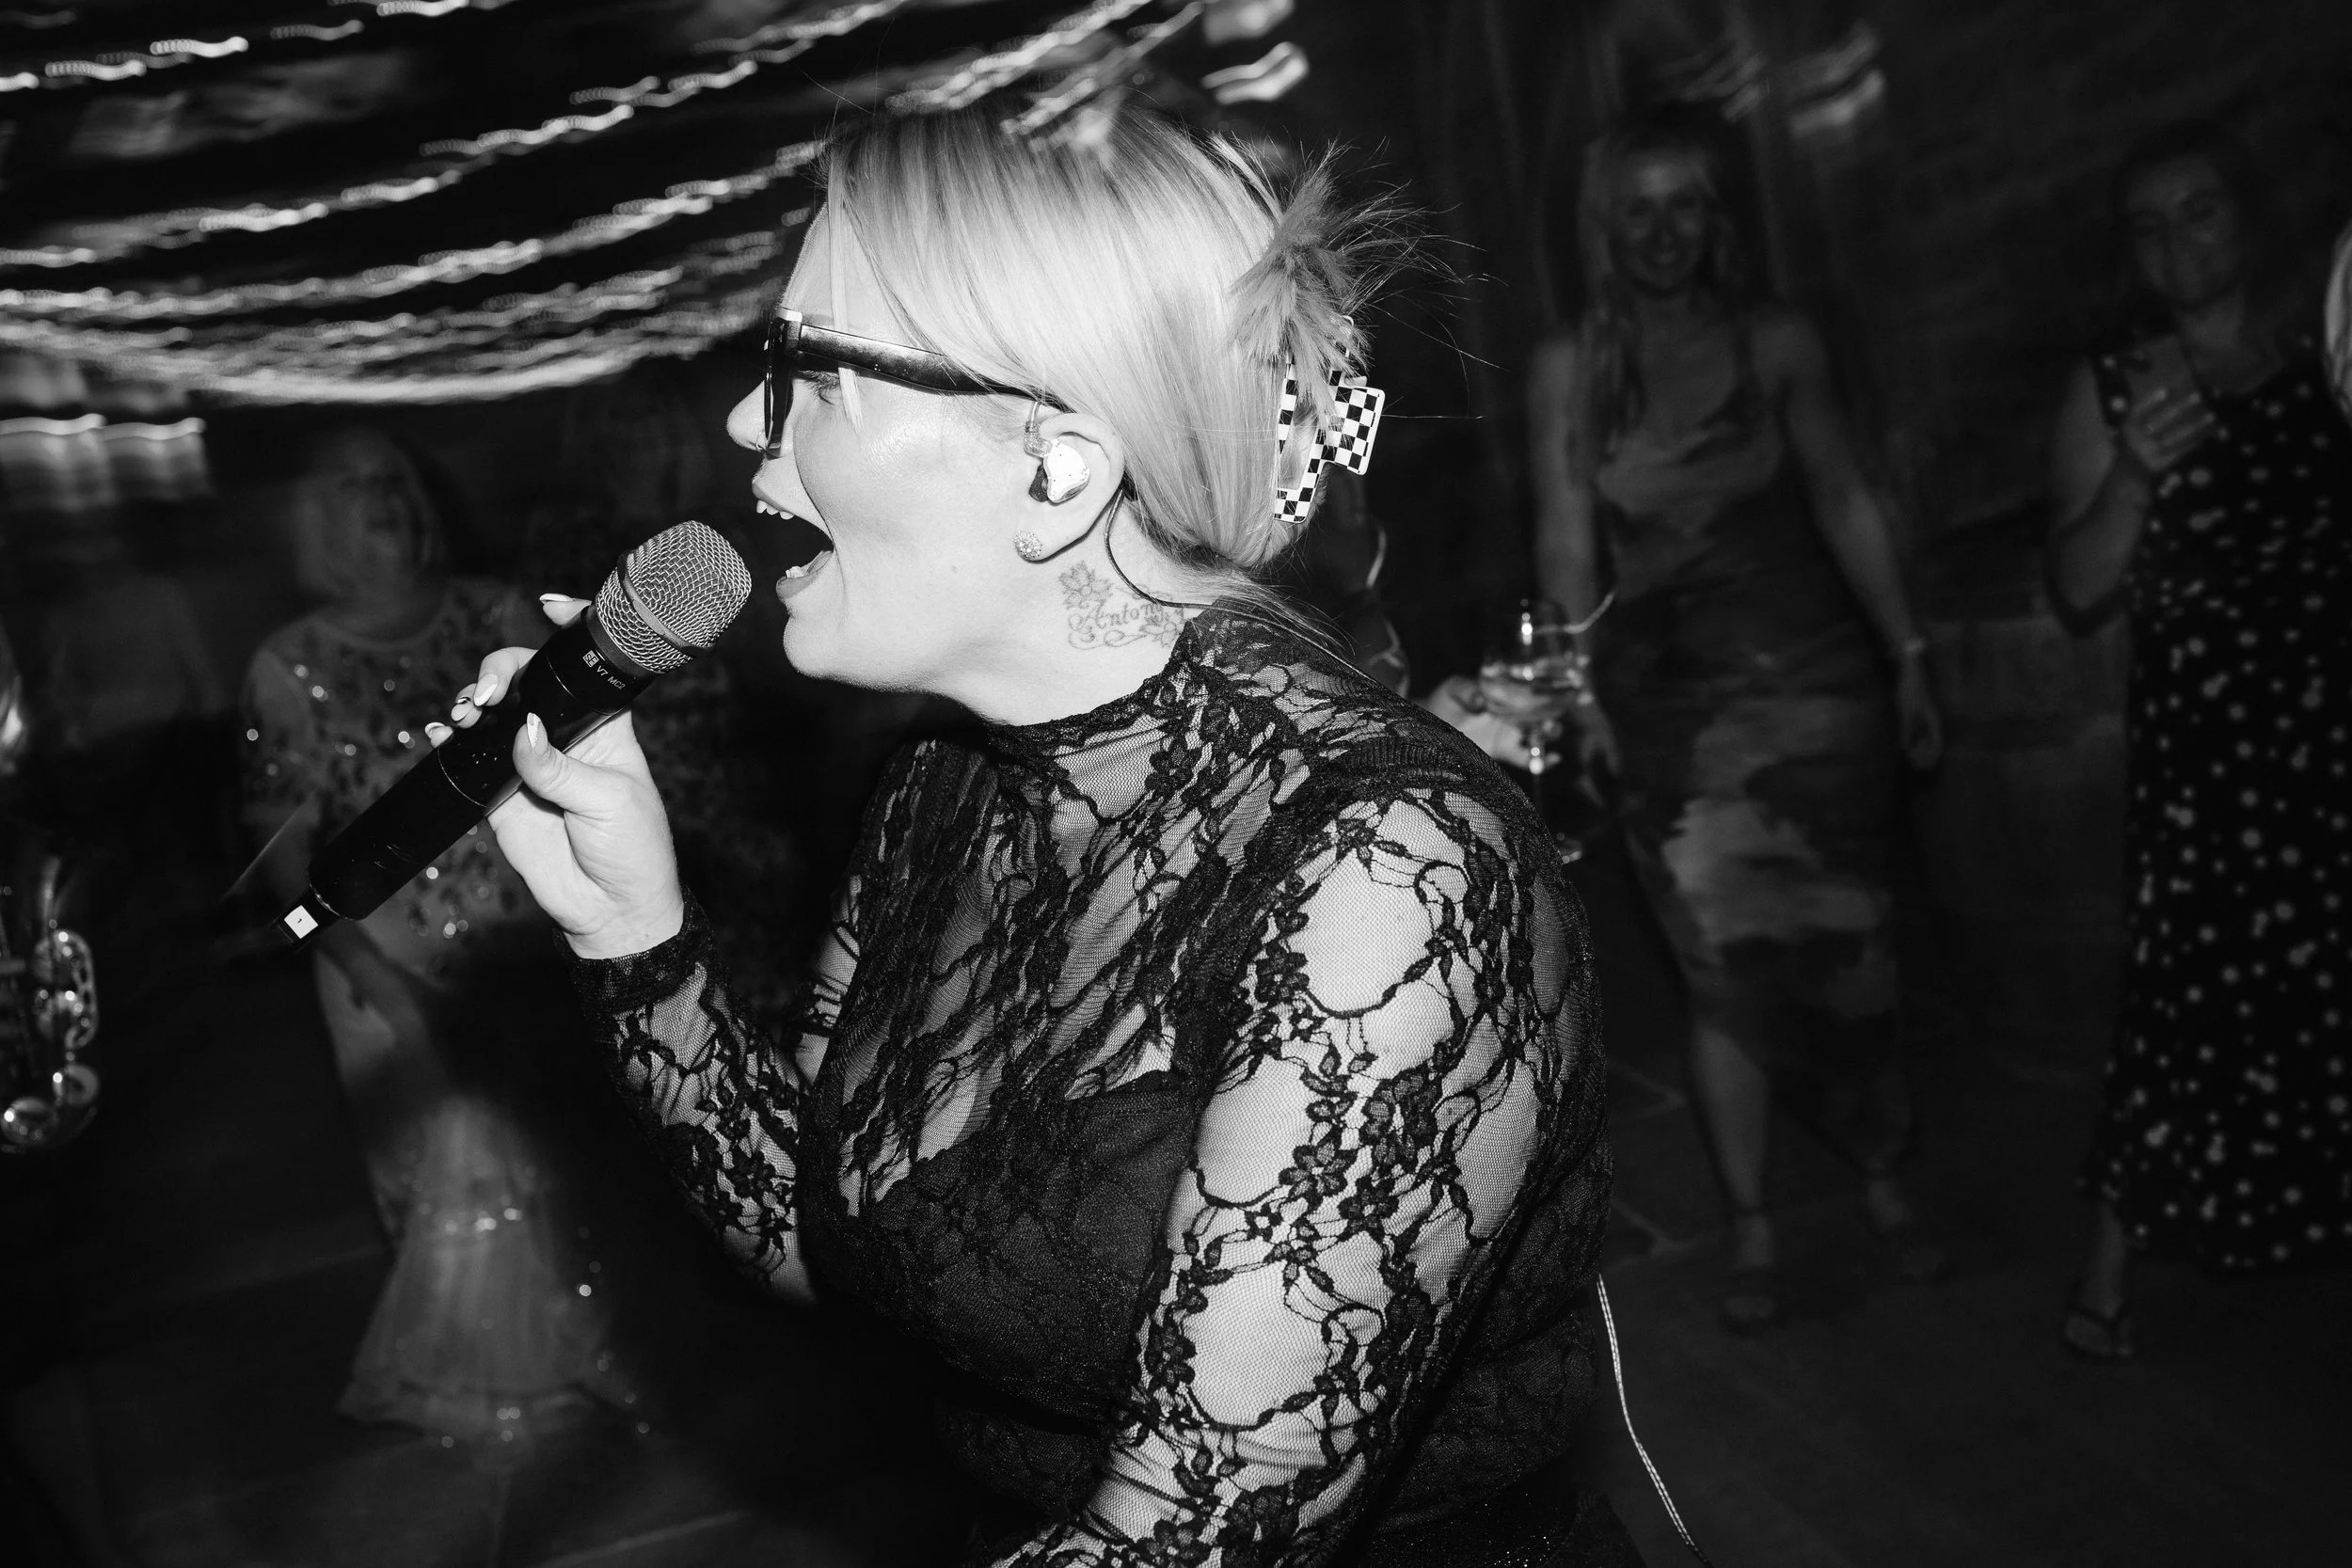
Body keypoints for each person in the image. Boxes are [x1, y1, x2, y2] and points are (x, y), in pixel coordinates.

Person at [442, 106, 1636, 1564]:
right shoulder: (946, 788)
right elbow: (830, 1233)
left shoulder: (1389, 878)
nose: (749, 422)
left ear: (1057, 468)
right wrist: (630, 930)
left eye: (805, 365)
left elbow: (1175, 1546)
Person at [1524, 106, 1945, 1334]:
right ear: (1606, 228)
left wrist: (1910, 654)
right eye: (1637, 207)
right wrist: (1573, 688)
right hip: (1666, 713)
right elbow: (1562, 539)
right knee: (1722, 972)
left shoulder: (1780, 341)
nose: (1663, 230)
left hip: (1816, 688)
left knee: (1852, 953)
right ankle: (1754, 1220)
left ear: (1719, 217)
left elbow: (1848, 498)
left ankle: (1886, 1180)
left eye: (1686, 202)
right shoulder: (1573, 364)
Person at [240, 427, 634, 1447]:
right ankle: (476, 1387)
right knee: (447, 1177)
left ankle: (581, 1347)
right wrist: (375, 977)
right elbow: (285, 866)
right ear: (318, 519)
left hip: (511, 945)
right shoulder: (287, 664)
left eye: (396, 480)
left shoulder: (489, 612)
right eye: (356, 484)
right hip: (384, 960)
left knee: (551, 1159)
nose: (387, 500)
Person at [2047, 121, 2352, 1360]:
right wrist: (2132, 472)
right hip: (2211, 752)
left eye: (2201, 211)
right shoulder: (2118, 384)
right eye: (2149, 223)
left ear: (2250, 216)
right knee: (2183, 996)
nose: (2176, 242)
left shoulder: (2324, 355)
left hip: (2329, 729)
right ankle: (2107, 1277)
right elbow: (2074, 585)